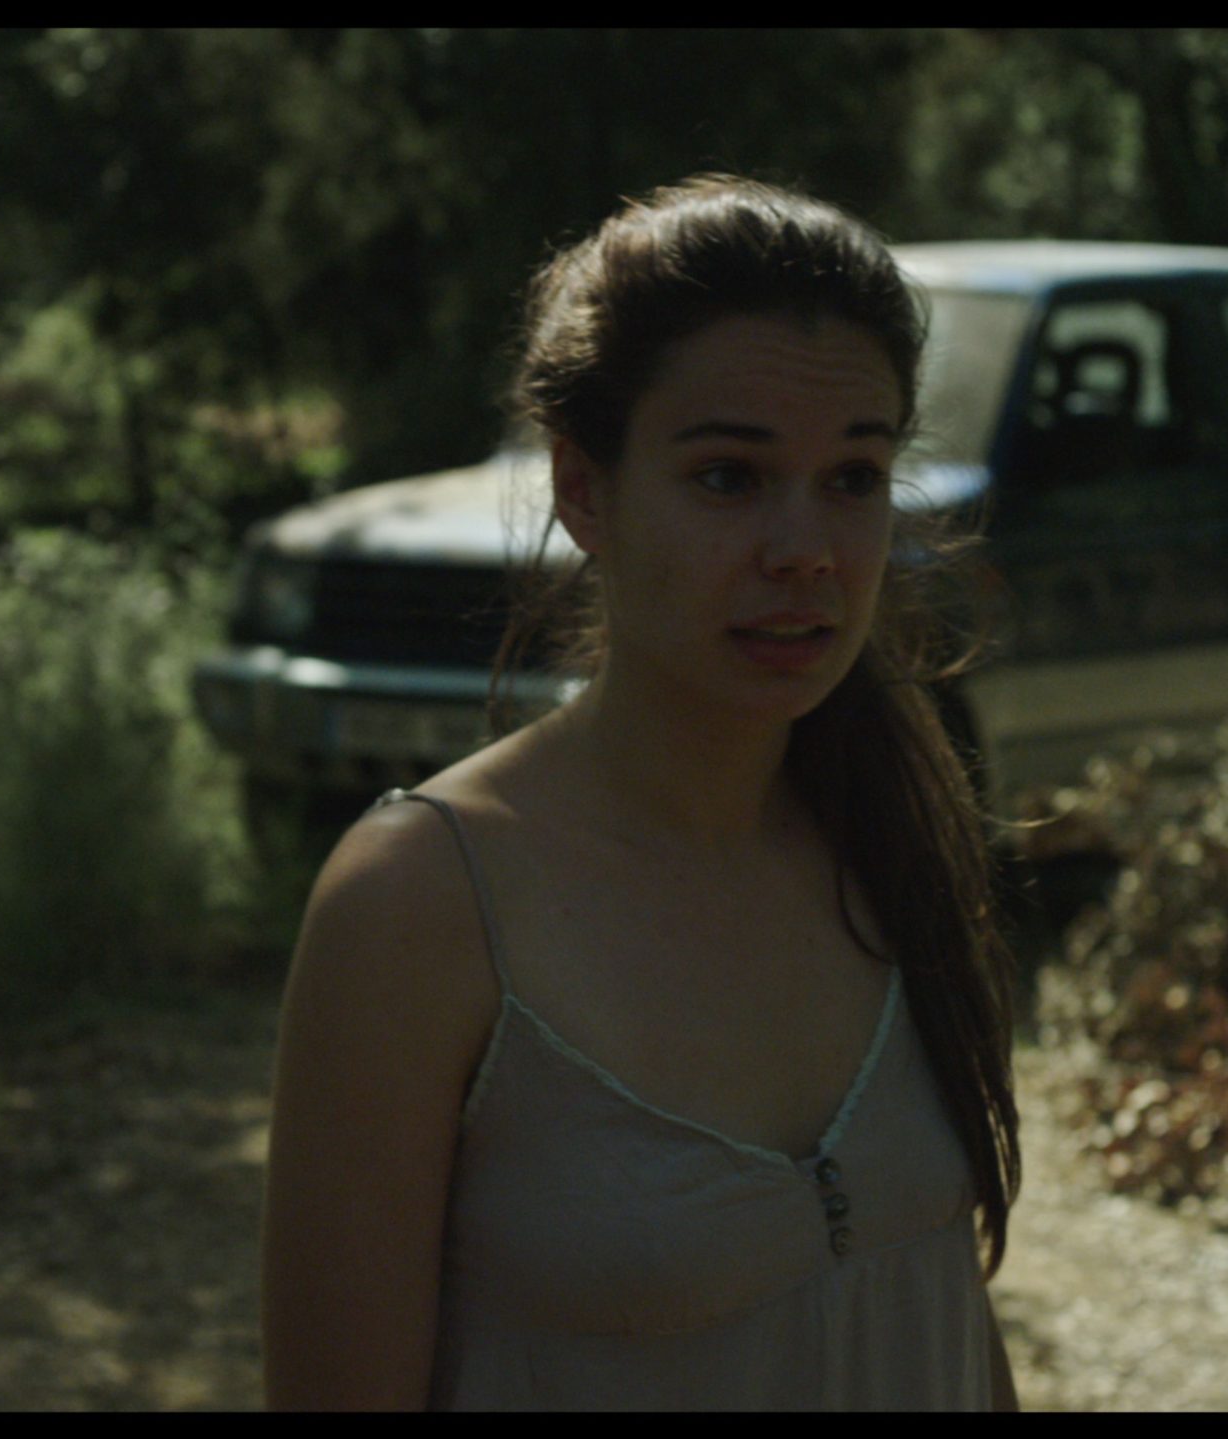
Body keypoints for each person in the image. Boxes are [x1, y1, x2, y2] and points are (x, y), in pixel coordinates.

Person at [260, 176, 1023, 1410]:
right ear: (583, 489)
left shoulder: (886, 832)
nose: (805, 551)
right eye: (728, 476)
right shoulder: (423, 904)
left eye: (853, 476)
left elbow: (941, 1315)